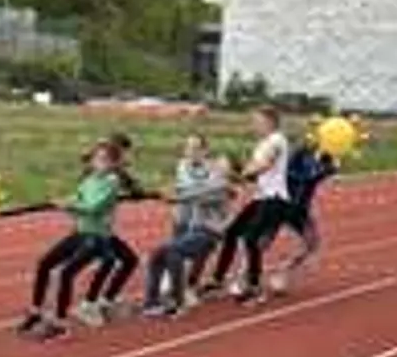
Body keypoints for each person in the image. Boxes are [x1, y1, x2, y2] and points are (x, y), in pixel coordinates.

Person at [17, 141, 123, 341]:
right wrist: (63, 200)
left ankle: (61, 324)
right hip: (80, 233)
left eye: (104, 160)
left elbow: (93, 207)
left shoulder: (112, 182)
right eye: (96, 158)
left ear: (113, 164)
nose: (98, 163)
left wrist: (68, 205)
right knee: (44, 263)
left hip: (97, 237)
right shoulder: (89, 179)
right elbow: (78, 196)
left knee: (66, 273)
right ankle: (35, 311)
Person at [202, 106, 293, 302]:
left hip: (275, 199)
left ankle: (254, 286)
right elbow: (254, 174)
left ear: (269, 122)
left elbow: (265, 165)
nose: (253, 125)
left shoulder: (277, 140)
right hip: (262, 197)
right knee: (232, 233)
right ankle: (217, 279)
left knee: (251, 239)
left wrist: (239, 173)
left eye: (257, 121)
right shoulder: (262, 143)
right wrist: (234, 175)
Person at [139, 135, 233, 317]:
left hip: (208, 233)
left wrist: (172, 197)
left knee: (174, 252)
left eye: (222, 165)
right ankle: (151, 303)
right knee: (157, 255)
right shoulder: (208, 177)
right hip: (194, 228)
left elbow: (197, 195)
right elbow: (189, 188)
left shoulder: (220, 186)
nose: (214, 165)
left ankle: (178, 300)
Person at [73, 134, 147, 325]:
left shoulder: (113, 168)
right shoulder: (113, 169)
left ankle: (104, 300)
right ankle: (89, 304)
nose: (129, 159)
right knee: (110, 261)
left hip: (100, 226)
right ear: (120, 152)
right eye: (127, 154)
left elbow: (133, 187)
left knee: (126, 260)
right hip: (92, 227)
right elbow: (135, 189)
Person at [264, 131, 340, 294]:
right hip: (280, 206)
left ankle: (283, 271)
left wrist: (331, 164)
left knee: (312, 243)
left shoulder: (312, 160)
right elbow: (306, 176)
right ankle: (244, 276)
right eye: (306, 141)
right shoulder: (289, 162)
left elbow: (319, 172)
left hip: (299, 211)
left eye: (313, 142)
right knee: (262, 242)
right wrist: (326, 169)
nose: (311, 144)